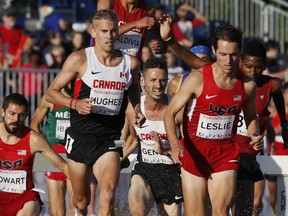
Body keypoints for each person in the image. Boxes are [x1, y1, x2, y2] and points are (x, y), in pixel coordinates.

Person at [159, 18, 264, 215]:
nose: (228, 60)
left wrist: (254, 135)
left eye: (233, 54)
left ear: (240, 52)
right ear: (214, 51)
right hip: (194, 154)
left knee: (221, 212)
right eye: (223, 54)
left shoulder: (247, 85)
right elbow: (169, 114)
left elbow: (250, 117)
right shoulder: (198, 79)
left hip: (225, 154)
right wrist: (174, 143)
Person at [45, 9, 144, 215]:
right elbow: (51, 93)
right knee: (82, 200)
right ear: (93, 32)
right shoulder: (80, 59)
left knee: (107, 195)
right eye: (104, 31)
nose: (109, 36)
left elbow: (133, 87)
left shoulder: (130, 63)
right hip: (81, 136)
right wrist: (74, 103)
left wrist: (136, 108)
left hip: (109, 138)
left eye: (113, 31)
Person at [232, 39, 288, 216]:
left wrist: (285, 123)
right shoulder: (230, 80)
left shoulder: (271, 85)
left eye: (258, 67)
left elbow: (278, 92)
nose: (252, 71)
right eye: (248, 66)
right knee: (221, 205)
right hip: (227, 151)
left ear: (264, 66)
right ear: (240, 63)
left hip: (250, 154)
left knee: (248, 207)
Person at [124, 57, 183, 216]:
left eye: (163, 80)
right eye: (153, 80)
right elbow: (131, 139)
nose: (158, 85)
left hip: (171, 172)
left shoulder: (177, 108)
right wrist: (117, 159)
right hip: (145, 170)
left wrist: (165, 149)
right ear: (142, 81)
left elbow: (187, 146)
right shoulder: (134, 108)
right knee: (137, 205)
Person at [0, 93, 69, 216]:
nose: (15, 120)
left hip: (23, 199)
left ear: (26, 116)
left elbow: (64, 166)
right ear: (3, 112)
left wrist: (81, 190)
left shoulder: (34, 139)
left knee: (31, 207)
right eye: (12, 114)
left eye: (21, 115)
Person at [30, 89, 75, 216]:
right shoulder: (50, 98)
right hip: (54, 156)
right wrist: (45, 148)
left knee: (76, 207)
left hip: (75, 154)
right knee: (57, 211)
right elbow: (34, 123)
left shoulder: (81, 97)